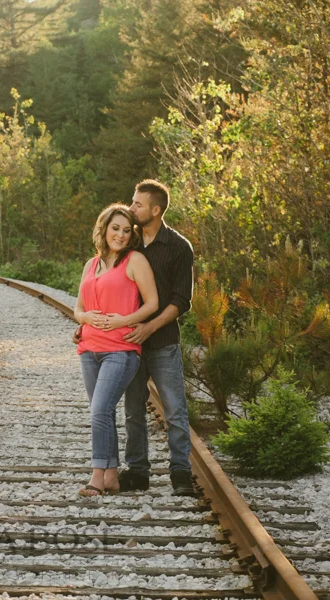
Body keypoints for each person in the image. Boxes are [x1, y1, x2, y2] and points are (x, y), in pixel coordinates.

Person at [74, 204, 158, 497]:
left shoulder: (134, 261)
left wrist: (125, 320)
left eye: (126, 230)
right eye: (115, 228)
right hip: (89, 349)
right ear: (104, 228)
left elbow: (152, 304)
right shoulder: (91, 264)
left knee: (99, 410)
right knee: (103, 413)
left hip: (120, 350)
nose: (120, 235)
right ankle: (111, 476)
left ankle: (96, 477)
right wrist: (84, 319)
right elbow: (79, 308)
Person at [118, 179, 196, 496]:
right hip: (129, 344)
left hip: (163, 342)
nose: (131, 207)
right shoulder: (127, 243)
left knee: (175, 409)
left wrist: (150, 327)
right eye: (132, 201)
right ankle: (138, 472)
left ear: (155, 209)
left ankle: (180, 473)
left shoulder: (179, 247)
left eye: (137, 204)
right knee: (133, 409)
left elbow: (181, 300)